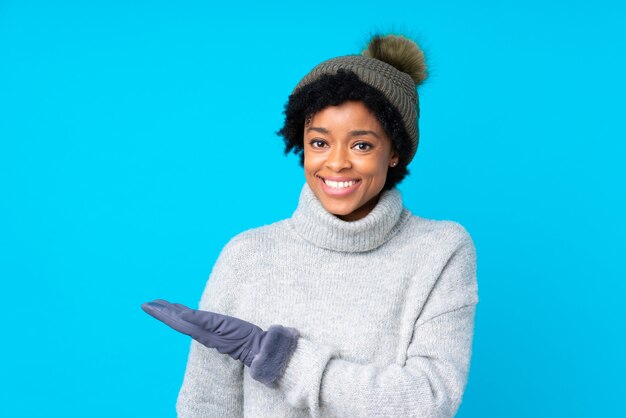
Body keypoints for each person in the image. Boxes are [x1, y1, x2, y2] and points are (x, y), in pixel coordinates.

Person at [142, 33, 479, 417]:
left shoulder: (440, 250)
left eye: (361, 145)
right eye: (319, 143)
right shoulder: (247, 254)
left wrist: (276, 358)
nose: (336, 163)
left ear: (395, 152)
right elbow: (205, 405)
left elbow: (428, 400)